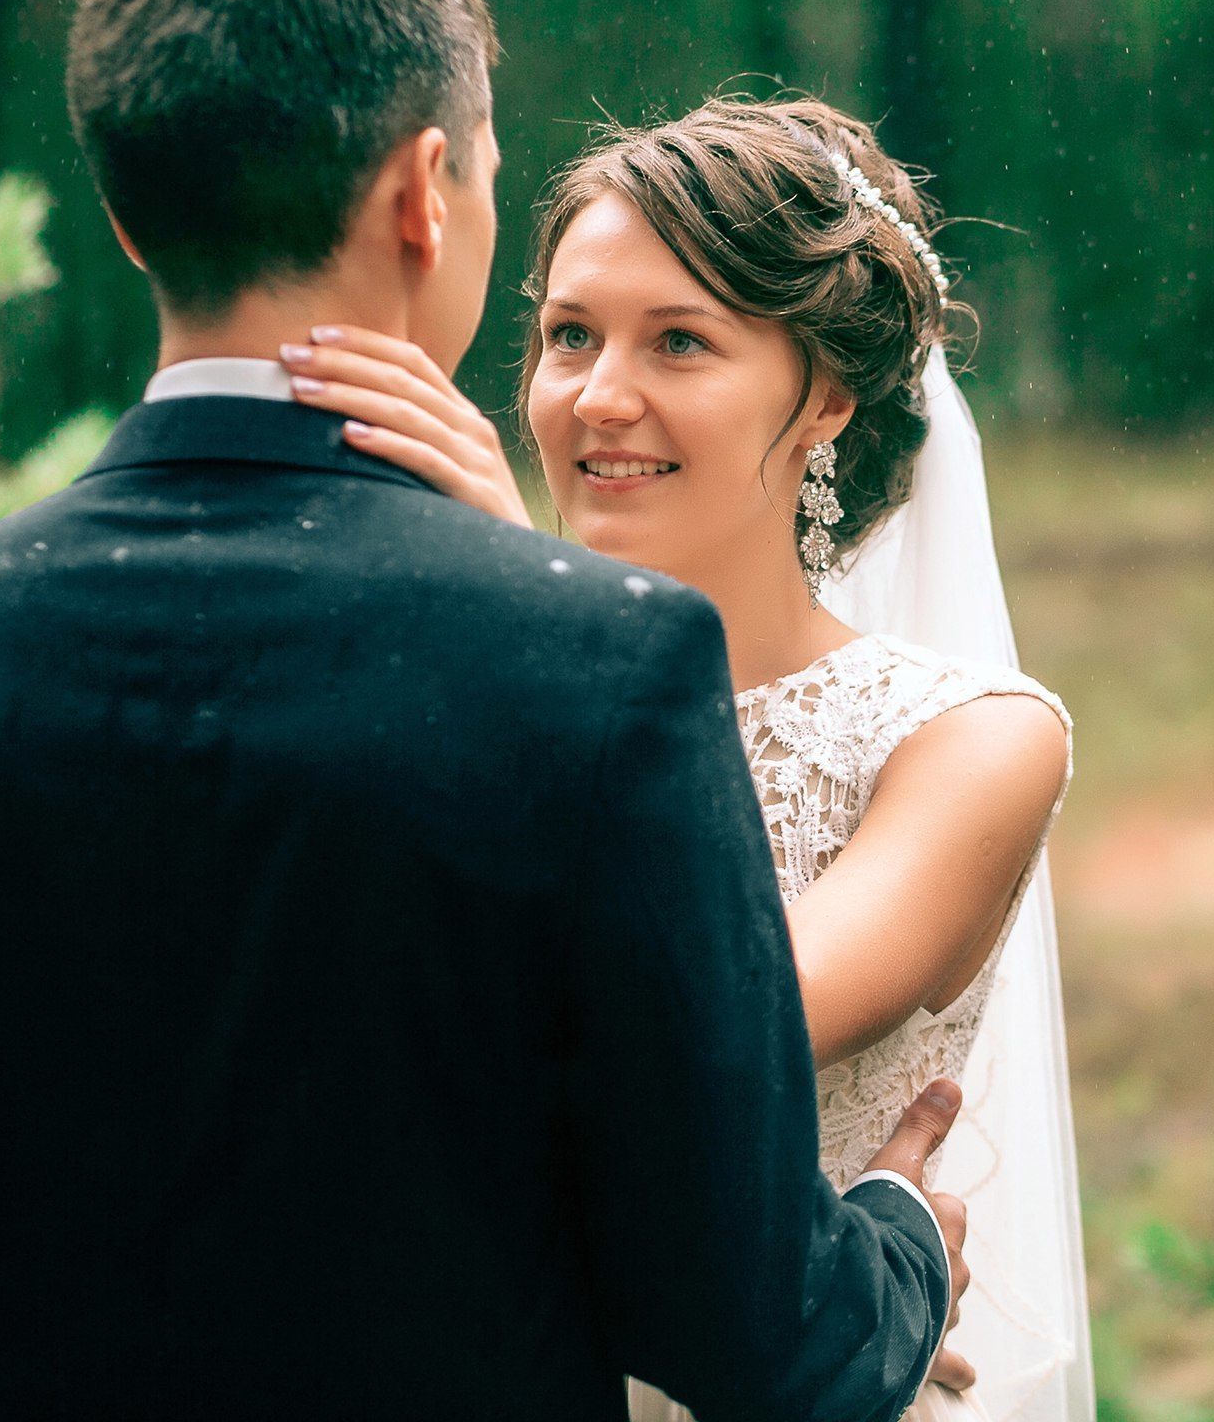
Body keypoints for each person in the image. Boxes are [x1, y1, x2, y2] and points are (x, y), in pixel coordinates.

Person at [0, 0, 973, 1421]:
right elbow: (750, 1329)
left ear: (125, 216)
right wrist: (901, 1239)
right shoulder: (595, 671)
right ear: (422, 191)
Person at [280, 98, 1095, 1421]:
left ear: (825, 395)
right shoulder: (433, 699)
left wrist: (534, 604)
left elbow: (715, 1028)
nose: (601, 398)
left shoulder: (970, 741)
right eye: (569, 336)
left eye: (680, 341)